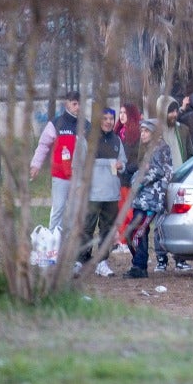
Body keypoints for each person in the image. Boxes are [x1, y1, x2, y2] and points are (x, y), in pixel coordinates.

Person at [29, 91, 82, 242]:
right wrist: (35, 165)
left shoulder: (84, 124)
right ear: (67, 104)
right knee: (58, 208)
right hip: (60, 175)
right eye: (74, 104)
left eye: (79, 104)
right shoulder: (55, 123)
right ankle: (52, 240)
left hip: (78, 176)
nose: (77, 107)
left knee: (74, 211)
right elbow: (43, 145)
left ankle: (70, 242)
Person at [80, 108, 126, 277]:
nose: (108, 121)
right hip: (92, 194)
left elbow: (124, 161)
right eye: (104, 118)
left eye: (111, 119)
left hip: (111, 194)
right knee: (86, 228)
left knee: (106, 230)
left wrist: (122, 165)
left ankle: (102, 262)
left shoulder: (117, 141)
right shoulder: (88, 140)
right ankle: (80, 260)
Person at [127, 119, 173, 278]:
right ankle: (138, 263)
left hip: (151, 198)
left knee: (138, 231)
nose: (143, 134)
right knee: (133, 231)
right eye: (142, 131)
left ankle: (139, 266)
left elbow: (158, 171)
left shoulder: (161, 148)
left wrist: (138, 181)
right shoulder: (149, 149)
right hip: (143, 198)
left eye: (146, 131)